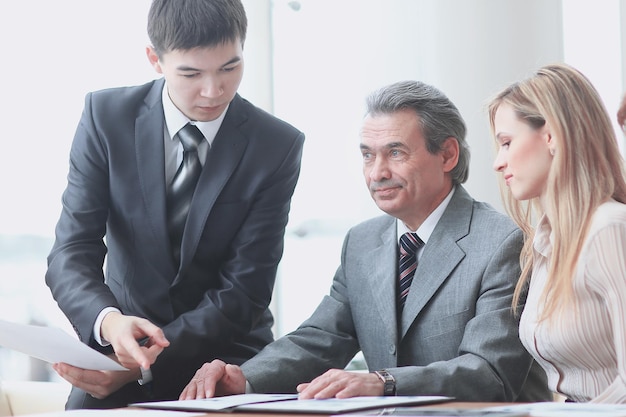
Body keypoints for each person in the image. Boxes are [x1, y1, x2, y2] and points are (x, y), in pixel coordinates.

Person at [180, 80, 551, 402]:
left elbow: (488, 372)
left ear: (448, 155)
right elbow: (320, 339)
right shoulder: (362, 242)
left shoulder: (503, 241)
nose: (378, 173)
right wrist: (244, 377)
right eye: (367, 155)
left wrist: (383, 383)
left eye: (395, 152)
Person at [45, 0, 304, 410]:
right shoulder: (105, 117)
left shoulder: (276, 145)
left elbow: (245, 291)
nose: (214, 90)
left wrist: (142, 363)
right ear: (155, 59)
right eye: (191, 73)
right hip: (118, 350)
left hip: (225, 359)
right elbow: (71, 251)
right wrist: (111, 325)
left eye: (229, 68)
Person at [488, 63, 626, 403]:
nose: (498, 162)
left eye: (506, 143)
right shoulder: (544, 243)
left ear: (550, 136)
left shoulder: (610, 229)